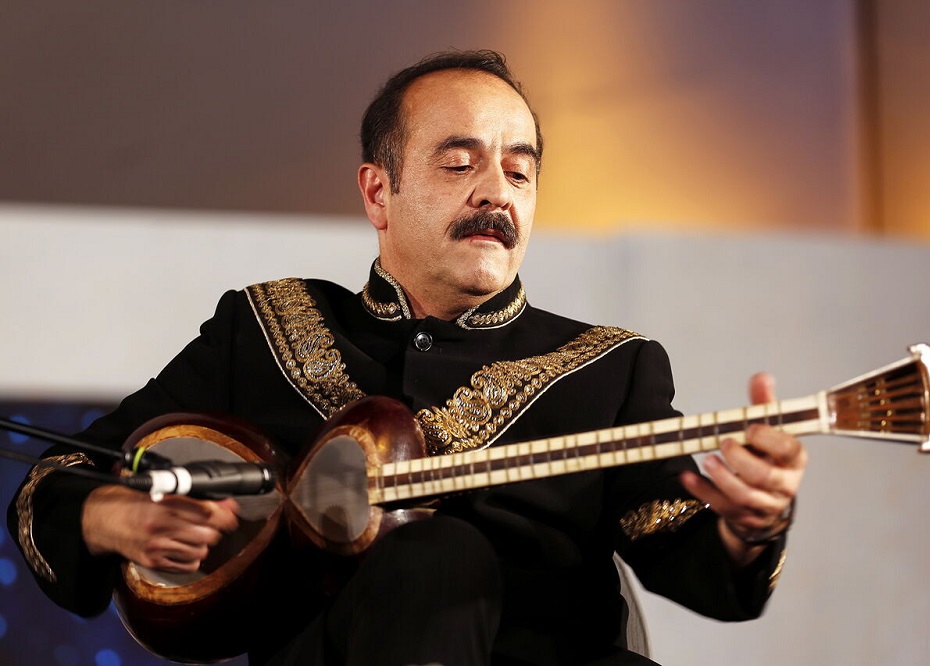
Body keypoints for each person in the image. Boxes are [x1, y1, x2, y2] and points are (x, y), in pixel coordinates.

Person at [8, 50, 806, 666]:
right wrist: (110, 516)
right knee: (432, 558)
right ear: (377, 192)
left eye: (520, 171)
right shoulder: (265, 328)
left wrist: (755, 522)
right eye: (459, 163)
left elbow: (698, 561)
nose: (497, 192)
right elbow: (61, 475)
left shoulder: (606, 366)